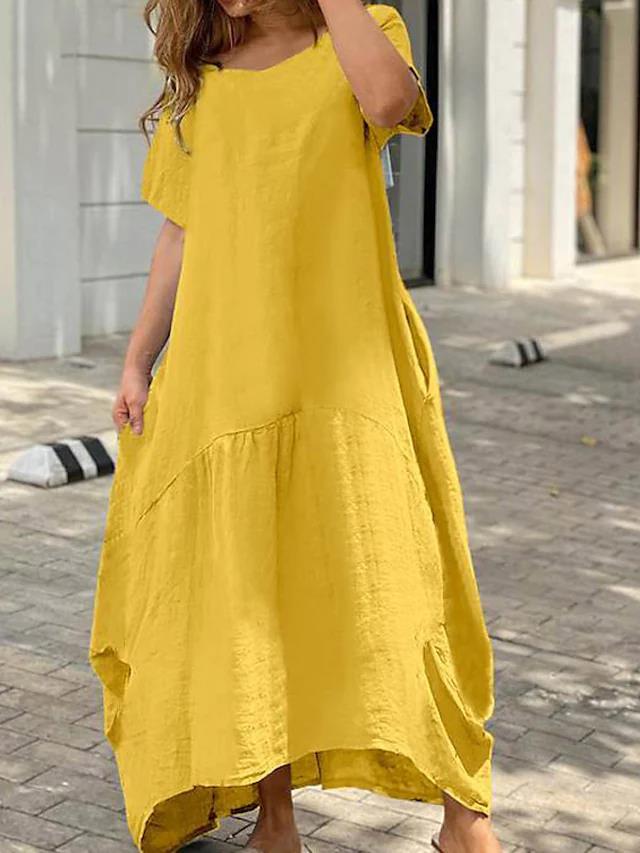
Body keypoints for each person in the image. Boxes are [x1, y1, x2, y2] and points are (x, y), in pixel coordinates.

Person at [88, 2, 502, 851]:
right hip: (226, 379)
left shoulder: (362, 32)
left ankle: (463, 815)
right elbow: (180, 232)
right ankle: (275, 821)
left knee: (396, 584)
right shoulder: (206, 80)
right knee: (253, 603)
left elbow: (389, 102)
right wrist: (136, 360)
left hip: (347, 369)